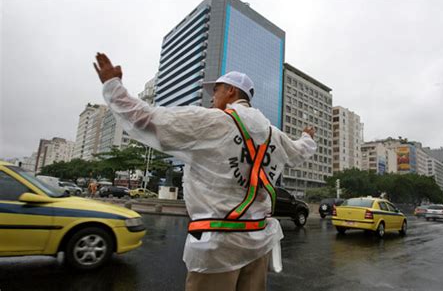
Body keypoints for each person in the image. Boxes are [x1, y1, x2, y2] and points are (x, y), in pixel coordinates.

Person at [94, 52, 316, 291]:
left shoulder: (213, 122)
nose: (212, 97)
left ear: (231, 91)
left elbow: (146, 119)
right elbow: (299, 152)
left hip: (218, 248)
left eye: (217, 90)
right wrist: (307, 137)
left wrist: (112, 86)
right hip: (258, 242)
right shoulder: (275, 135)